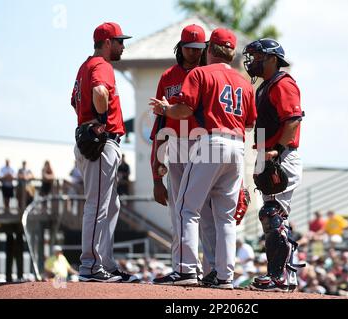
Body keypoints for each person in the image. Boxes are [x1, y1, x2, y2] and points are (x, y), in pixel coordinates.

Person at [150, 28, 257, 289]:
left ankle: (186, 270)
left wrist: (166, 108)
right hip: (237, 146)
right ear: (232, 53)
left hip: (210, 142)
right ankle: (224, 276)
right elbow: (251, 122)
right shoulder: (244, 81)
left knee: (187, 208)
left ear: (210, 50)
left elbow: (184, 109)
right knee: (225, 217)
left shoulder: (201, 73)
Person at [71, 22, 137, 283]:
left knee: (111, 205)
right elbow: (99, 91)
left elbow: (73, 101)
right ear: (107, 42)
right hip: (102, 142)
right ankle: (90, 265)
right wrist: (99, 119)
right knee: (98, 205)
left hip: (93, 140)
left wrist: (88, 122)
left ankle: (105, 264)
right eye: (119, 41)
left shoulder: (84, 66)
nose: (123, 45)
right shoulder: (101, 65)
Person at [149, 24, 214, 281]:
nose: (193, 53)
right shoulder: (168, 77)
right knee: (178, 209)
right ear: (180, 47)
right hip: (175, 141)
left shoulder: (209, 74)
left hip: (204, 144)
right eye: (189, 48)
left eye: (198, 49)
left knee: (206, 208)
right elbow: (160, 123)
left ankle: (213, 271)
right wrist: (156, 177)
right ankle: (183, 268)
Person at [242, 38, 304, 292]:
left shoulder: (282, 83)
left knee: (273, 215)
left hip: (281, 154)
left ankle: (280, 277)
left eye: (258, 56)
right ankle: (282, 276)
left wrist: (276, 151)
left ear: (273, 59)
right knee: (273, 215)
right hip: (268, 154)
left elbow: (293, 120)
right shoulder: (265, 86)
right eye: (253, 56)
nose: (253, 61)